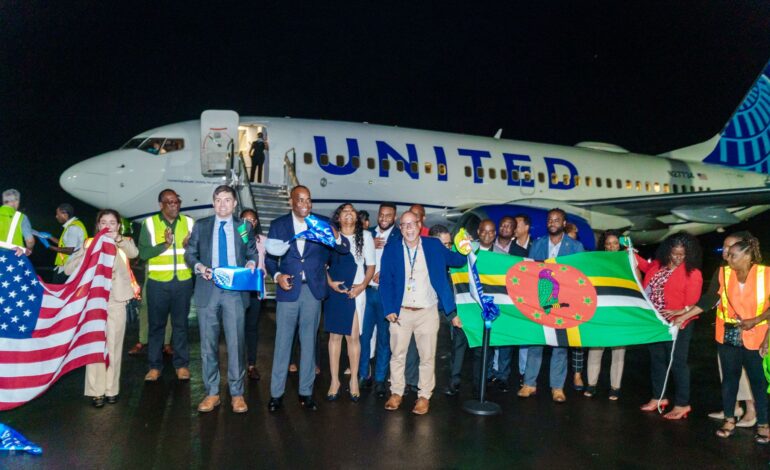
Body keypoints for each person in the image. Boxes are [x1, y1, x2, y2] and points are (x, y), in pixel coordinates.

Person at [670, 234, 769, 442]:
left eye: (732, 254)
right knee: (729, 380)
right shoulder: (723, 273)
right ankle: (729, 419)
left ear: (747, 256)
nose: (727, 258)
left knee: (758, 382)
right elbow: (709, 299)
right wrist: (683, 316)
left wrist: (757, 320)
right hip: (727, 335)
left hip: (756, 336)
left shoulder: (765, 274)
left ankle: (763, 424)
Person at [265, 185, 349, 412]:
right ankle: (276, 394)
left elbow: (341, 250)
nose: (305, 204)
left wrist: (338, 236)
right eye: (300, 200)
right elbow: (271, 259)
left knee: (309, 343)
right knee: (283, 344)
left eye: (308, 200)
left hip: (313, 291)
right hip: (288, 291)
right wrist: (277, 275)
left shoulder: (322, 224)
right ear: (291, 202)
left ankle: (306, 392)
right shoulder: (278, 225)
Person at [380, 211, 466, 415]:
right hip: (400, 313)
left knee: (427, 356)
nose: (409, 228)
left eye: (412, 224)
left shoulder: (433, 246)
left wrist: (464, 246)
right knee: (397, 355)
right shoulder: (392, 249)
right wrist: (389, 309)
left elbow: (457, 261)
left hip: (427, 312)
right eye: (404, 225)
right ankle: (396, 392)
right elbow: (385, 281)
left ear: (419, 226)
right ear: (400, 229)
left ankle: (424, 396)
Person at [185, 185, 258, 413]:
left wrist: (250, 264)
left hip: (234, 291)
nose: (222, 204)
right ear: (213, 202)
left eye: (227, 200)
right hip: (208, 288)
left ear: (235, 204)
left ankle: (237, 394)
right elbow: (190, 254)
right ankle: (212, 393)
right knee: (208, 345)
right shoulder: (201, 226)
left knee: (236, 343)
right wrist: (199, 267)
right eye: (218, 200)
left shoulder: (243, 227)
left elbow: (251, 252)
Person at [64, 209, 138, 407]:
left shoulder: (123, 242)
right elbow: (68, 269)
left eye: (112, 222)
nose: (107, 226)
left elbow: (135, 253)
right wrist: (87, 254)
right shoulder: (89, 243)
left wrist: (119, 238)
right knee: (95, 346)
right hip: (94, 301)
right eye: (103, 222)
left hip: (117, 299)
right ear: (97, 225)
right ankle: (96, 391)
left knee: (114, 345)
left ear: (118, 225)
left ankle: (111, 389)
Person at [518, 208, 584, 403]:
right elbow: (529, 273)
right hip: (540, 303)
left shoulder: (576, 247)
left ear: (564, 224)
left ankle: (557, 388)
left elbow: (580, 278)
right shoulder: (537, 245)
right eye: (550, 220)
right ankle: (529, 384)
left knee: (560, 346)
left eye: (557, 220)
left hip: (563, 306)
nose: (552, 222)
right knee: (535, 343)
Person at [637, 232, 703, 419]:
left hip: (678, 325)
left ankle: (682, 404)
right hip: (655, 323)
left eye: (682, 254)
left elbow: (693, 303)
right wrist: (629, 251)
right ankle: (659, 398)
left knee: (678, 363)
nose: (678, 258)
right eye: (674, 253)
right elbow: (642, 265)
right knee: (657, 361)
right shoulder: (658, 266)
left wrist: (681, 315)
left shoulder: (693, 273)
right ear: (668, 251)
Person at [139, 189, 195, 383]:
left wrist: (190, 245)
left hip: (183, 282)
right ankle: (154, 367)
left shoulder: (189, 222)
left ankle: (181, 365)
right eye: (169, 202)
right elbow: (143, 254)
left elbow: (198, 252)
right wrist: (165, 244)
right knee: (156, 327)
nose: (174, 205)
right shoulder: (149, 223)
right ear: (160, 205)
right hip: (158, 284)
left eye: (176, 201)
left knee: (180, 325)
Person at [324, 203, 375, 401]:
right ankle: (334, 381)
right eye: (344, 212)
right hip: (334, 291)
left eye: (351, 212)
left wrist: (361, 286)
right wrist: (330, 283)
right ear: (338, 217)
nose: (348, 215)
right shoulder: (330, 237)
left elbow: (371, 266)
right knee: (334, 338)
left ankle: (354, 379)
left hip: (354, 291)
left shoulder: (366, 237)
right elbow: (323, 265)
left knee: (353, 338)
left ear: (356, 218)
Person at [361, 202, 400, 398]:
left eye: (388, 215)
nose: (384, 219)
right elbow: (357, 259)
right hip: (366, 292)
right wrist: (368, 243)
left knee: (384, 339)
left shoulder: (399, 236)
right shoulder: (367, 234)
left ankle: (379, 380)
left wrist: (384, 273)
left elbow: (401, 265)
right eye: (381, 215)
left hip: (386, 295)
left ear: (394, 217)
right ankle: (362, 375)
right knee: (363, 336)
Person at [584, 230, 627, 400]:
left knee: (619, 350)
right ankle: (591, 384)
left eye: (615, 243)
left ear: (620, 245)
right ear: (604, 246)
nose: (611, 247)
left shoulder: (626, 260)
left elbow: (637, 280)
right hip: (600, 310)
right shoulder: (596, 261)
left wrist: (631, 259)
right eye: (608, 244)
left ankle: (615, 387)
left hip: (619, 311)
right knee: (595, 348)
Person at [240, 208, 267, 381]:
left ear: (256, 223)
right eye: (245, 220)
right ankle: (236, 366)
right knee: (235, 329)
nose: (249, 223)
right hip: (237, 290)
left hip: (255, 291)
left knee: (251, 328)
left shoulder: (263, 240)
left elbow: (270, 261)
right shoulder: (234, 238)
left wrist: (267, 272)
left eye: (252, 220)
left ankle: (251, 365)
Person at [512, 213, 532, 381]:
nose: (513, 228)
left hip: (529, 298)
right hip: (511, 295)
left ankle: (523, 372)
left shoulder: (536, 246)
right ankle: (498, 370)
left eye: (517, 225)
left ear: (526, 227)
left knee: (526, 337)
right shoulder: (509, 247)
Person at [48, 203, 88, 283]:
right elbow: (65, 243)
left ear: (65, 214)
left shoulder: (73, 228)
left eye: (58, 214)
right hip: (70, 265)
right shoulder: (75, 224)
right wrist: (50, 237)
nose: (56, 216)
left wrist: (49, 247)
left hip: (69, 267)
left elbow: (69, 250)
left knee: (58, 291)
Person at [1, 189, 34, 256]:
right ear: (15, 201)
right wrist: (29, 249)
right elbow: (30, 241)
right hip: (14, 256)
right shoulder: (21, 217)